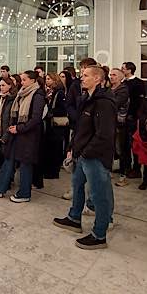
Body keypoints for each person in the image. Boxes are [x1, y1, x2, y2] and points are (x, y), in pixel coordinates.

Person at [53, 65, 117, 249]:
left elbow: (104, 134)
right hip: (82, 153)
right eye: (82, 75)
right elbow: (81, 128)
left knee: (99, 195)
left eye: (86, 75)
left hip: (94, 156)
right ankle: (74, 218)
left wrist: (86, 152)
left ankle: (99, 234)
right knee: (77, 185)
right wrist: (74, 148)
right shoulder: (87, 99)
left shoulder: (104, 102)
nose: (82, 78)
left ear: (98, 79)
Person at [0, 70, 45, 202]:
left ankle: (24, 193)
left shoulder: (37, 95)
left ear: (33, 81)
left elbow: (35, 118)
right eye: (21, 80)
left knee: (25, 164)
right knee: (9, 160)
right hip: (17, 133)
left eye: (24, 80)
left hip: (28, 135)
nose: (21, 82)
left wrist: (19, 128)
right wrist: (14, 127)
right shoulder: (22, 94)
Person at [121, 61, 145, 179]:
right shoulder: (123, 82)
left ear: (129, 70)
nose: (122, 70)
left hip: (133, 118)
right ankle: (126, 167)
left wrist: (134, 115)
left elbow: (139, 102)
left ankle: (136, 169)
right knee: (124, 144)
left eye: (123, 68)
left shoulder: (138, 83)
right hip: (123, 117)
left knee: (134, 144)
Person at [44, 73, 68, 179]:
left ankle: (54, 171)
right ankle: (49, 170)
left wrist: (50, 111)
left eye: (49, 79)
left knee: (55, 148)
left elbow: (62, 108)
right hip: (50, 124)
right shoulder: (51, 92)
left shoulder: (60, 93)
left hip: (56, 125)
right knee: (50, 148)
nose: (47, 81)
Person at [110, 68, 131, 186]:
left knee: (121, 149)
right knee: (111, 148)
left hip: (120, 124)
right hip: (109, 123)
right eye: (110, 75)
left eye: (114, 75)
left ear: (120, 77)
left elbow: (114, 103)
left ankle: (124, 175)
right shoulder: (109, 89)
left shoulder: (123, 90)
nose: (112, 77)